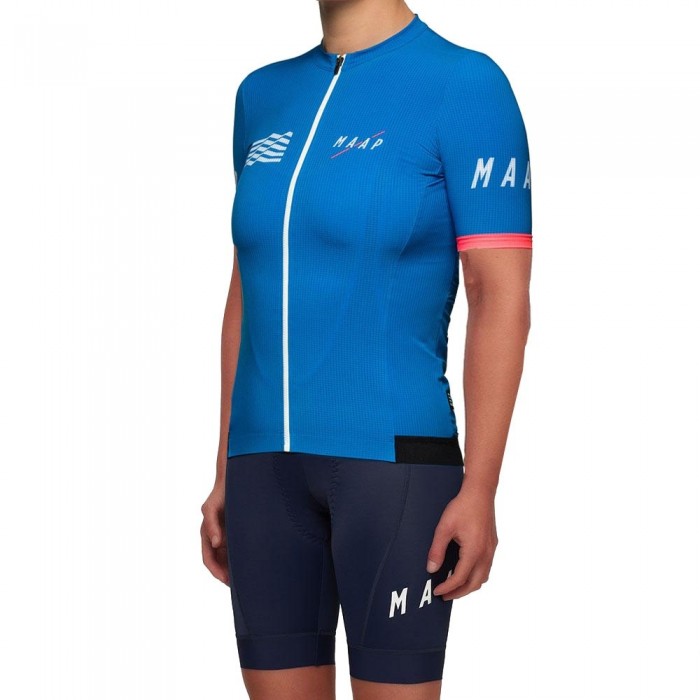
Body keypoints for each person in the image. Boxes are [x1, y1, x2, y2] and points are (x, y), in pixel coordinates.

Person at [201, 0, 532, 698]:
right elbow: (246, 292)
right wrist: (225, 466)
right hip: (262, 475)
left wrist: (482, 486)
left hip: (395, 473)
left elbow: (498, 295)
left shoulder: (466, 85)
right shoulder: (260, 94)